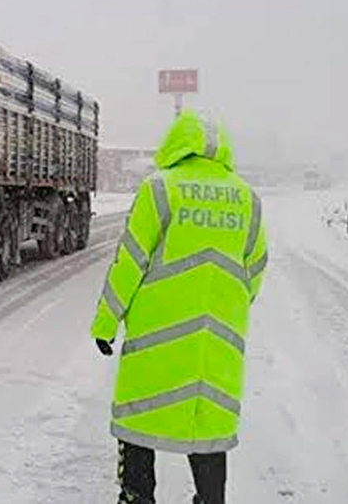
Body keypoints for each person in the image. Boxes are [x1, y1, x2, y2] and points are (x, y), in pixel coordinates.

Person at [91, 109, 269, 504]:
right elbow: (254, 267)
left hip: (157, 344)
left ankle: (137, 497)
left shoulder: (160, 188)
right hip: (215, 346)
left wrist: (106, 323)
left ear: (176, 144)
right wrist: (226, 307)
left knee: (140, 421)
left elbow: (130, 262)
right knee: (207, 430)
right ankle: (210, 499)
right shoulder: (246, 197)